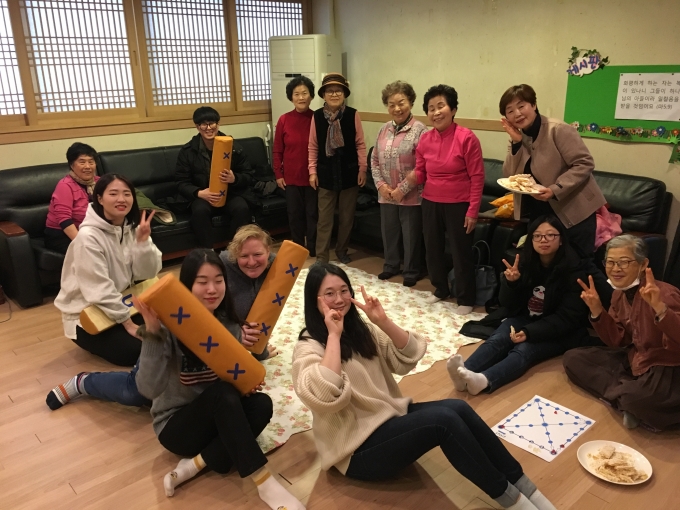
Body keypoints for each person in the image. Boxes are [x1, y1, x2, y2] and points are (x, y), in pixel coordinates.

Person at [292, 263, 556, 510]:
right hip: (356, 452)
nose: (339, 299)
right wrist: (333, 335)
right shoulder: (308, 347)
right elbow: (325, 394)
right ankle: (514, 501)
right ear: (314, 300)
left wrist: (382, 321)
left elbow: (410, 355)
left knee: (458, 408)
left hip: (387, 421)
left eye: (343, 291)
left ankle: (527, 489)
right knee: (443, 422)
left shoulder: (361, 331)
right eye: (329, 294)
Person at [131, 249, 305, 509]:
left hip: (216, 418)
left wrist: (245, 385)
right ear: (187, 286)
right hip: (176, 427)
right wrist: (153, 332)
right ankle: (264, 482)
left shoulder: (230, 325)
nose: (212, 289)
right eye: (202, 282)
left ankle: (194, 465)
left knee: (261, 404)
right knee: (223, 394)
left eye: (218, 280)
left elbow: (230, 380)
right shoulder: (168, 327)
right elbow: (147, 388)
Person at [448, 216, 611, 395]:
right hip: (526, 318)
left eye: (550, 235)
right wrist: (512, 284)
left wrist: (529, 332)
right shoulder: (525, 262)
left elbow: (568, 317)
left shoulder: (574, 269)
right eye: (537, 236)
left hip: (561, 331)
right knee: (498, 338)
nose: (543, 240)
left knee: (524, 350)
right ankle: (463, 372)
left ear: (561, 240)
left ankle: (485, 380)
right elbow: (509, 305)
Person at [563, 235, 680, 430]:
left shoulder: (664, 293)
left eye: (624, 262)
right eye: (610, 262)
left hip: (669, 366)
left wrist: (660, 309)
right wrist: (597, 311)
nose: (616, 269)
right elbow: (618, 341)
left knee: (639, 399)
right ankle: (627, 397)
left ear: (643, 264)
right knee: (573, 359)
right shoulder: (618, 294)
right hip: (637, 359)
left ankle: (631, 399)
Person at [52, 174, 161, 367]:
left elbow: (148, 274)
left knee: (171, 329)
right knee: (136, 351)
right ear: (100, 198)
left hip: (124, 301)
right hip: (87, 313)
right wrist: (128, 324)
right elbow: (99, 289)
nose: (121, 199)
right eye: (113, 193)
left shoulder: (133, 228)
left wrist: (143, 244)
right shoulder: (87, 238)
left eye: (127, 194)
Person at [500, 84, 606, 257]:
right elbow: (510, 175)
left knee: (576, 263)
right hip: (539, 212)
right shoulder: (517, 136)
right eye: (510, 111)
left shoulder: (557, 129)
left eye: (521, 106)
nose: (517, 114)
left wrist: (555, 190)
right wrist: (517, 143)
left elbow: (584, 163)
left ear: (533, 105)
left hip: (574, 209)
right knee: (542, 263)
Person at [406, 84, 484, 312]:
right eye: (431, 108)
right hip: (431, 201)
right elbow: (422, 172)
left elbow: (477, 177)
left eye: (441, 106)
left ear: (453, 109)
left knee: (461, 252)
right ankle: (440, 289)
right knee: (432, 249)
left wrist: (472, 211)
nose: (436, 112)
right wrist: (412, 177)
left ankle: (466, 298)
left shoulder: (467, 138)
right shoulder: (425, 139)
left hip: (459, 203)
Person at [371, 81, 428, 287]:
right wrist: (381, 186)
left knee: (411, 235)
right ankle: (391, 265)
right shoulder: (383, 129)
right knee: (390, 231)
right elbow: (374, 160)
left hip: (411, 195)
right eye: (391, 104)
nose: (397, 108)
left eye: (401, 102)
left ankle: (412, 270)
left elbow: (422, 165)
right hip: (386, 194)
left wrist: (401, 190)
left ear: (410, 102)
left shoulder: (421, 130)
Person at [176, 106, 255, 248]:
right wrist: (199, 193)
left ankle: (234, 250)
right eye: (203, 124)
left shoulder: (234, 147)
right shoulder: (188, 151)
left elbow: (249, 175)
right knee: (199, 211)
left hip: (230, 193)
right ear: (197, 126)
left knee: (241, 208)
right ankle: (208, 252)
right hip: (203, 195)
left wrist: (235, 178)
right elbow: (181, 182)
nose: (208, 128)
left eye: (212, 123)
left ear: (218, 124)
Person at [308, 73, 367, 264]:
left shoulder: (352, 114)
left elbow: (360, 144)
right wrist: (312, 171)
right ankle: (322, 256)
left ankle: (342, 250)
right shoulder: (317, 116)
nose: (334, 94)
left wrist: (363, 168)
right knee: (324, 219)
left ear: (344, 93)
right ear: (324, 95)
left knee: (346, 218)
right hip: (325, 174)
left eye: (338, 90)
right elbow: (313, 146)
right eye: (330, 91)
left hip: (349, 173)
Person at [220, 224, 282, 360]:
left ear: (268, 251)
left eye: (257, 254)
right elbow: (205, 314)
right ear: (235, 255)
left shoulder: (276, 266)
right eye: (244, 256)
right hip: (218, 345)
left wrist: (261, 351)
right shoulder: (220, 268)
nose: (252, 262)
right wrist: (235, 332)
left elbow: (262, 316)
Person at [273, 76, 318, 255]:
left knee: (313, 215)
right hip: (291, 177)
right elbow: (277, 150)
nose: (301, 97)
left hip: (313, 177)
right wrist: (278, 174)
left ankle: (313, 248)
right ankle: (298, 248)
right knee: (294, 215)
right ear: (291, 97)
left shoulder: (317, 118)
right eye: (296, 94)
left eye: (304, 93)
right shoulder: (284, 120)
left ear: (311, 95)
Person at [45, 142, 101, 253]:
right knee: (95, 252)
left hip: (91, 230)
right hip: (62, 235)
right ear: (72, 165)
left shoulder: (100, 182)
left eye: (91, 162)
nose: (87, 166)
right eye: (82, 162)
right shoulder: (65, 185)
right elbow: (64, 220)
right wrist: (83, 244)